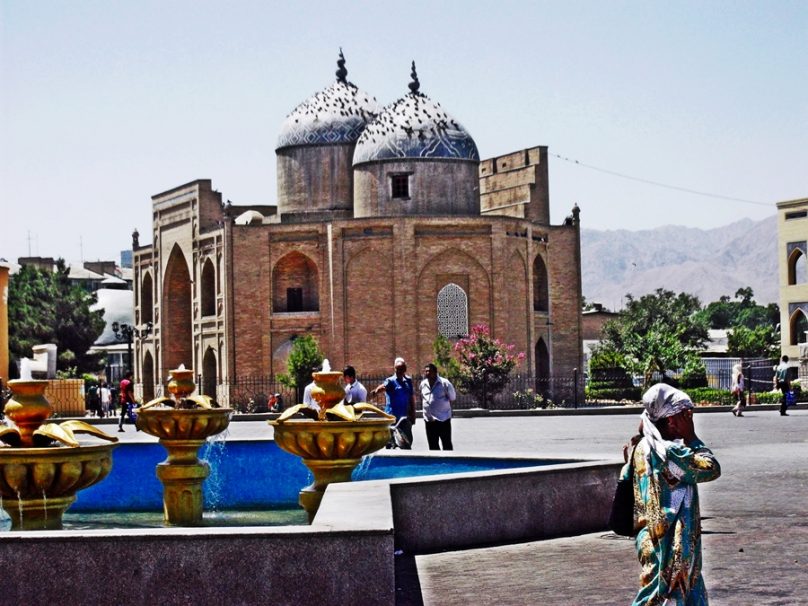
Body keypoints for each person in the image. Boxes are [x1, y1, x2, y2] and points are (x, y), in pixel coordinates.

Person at [622, 383, 721, 606]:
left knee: (676, 594)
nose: (689, 418)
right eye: (683, 415)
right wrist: (692, 437)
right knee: (661, 596)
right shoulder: (671, 453)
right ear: (669, 420)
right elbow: (711, 468)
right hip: (673, 543)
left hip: (649, 538)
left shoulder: (643, 448)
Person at [372, 357, 415, 449]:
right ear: (394, 369)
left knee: (407, 443)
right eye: (397, 369)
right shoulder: (390, 381)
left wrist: (413, 414)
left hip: (404, 418)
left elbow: (411, 398)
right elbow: (383, 387)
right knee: (390, 444)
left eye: (401, 369)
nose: (399, 371)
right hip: (392, 418)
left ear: (405, 369)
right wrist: (376, 391)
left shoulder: (408, 381)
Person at [419, 363, 456, 450]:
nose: (427, 373)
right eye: (426, 371)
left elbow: (452, 397)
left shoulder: (445, 383)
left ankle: (449, 463)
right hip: (429, 420)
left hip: (443, 419)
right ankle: (436, 464)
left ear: (435, 372)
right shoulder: (423, 384)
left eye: (429, 371)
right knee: (432, 445)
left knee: (446, 444)